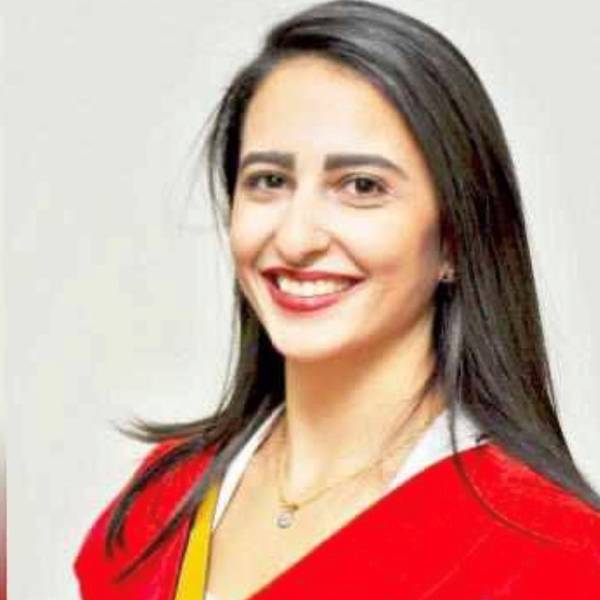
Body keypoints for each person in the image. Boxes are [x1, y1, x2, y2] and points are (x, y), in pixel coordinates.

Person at [74, 1, 600, 598]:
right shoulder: (158, 506)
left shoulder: (549, 556)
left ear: (455, 238)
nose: (296, 238)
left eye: (362, 186)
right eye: (269, 181)